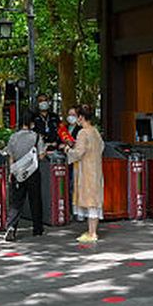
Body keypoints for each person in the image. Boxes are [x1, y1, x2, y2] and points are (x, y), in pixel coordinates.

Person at [4, 109, 46, 242]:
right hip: (33, 173)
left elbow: (11, 157)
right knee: (35, 200)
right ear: (32, 122)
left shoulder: (13, 137)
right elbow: (41, 155)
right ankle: (37, 229)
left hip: (18, 173)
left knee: (16, 202)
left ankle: (11, 227)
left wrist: (12, 172)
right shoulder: (36, 137)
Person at [67, 103, 105, 243]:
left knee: (90, 202)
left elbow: (79, 152)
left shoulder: (83, 132)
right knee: (94, 201)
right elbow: (101, 147)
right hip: (95, 169)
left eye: (76, 116)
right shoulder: (94, 131)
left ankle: (92, 233)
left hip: (86, 171)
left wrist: (68, 151)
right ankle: (91, 231)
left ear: (81, 117)